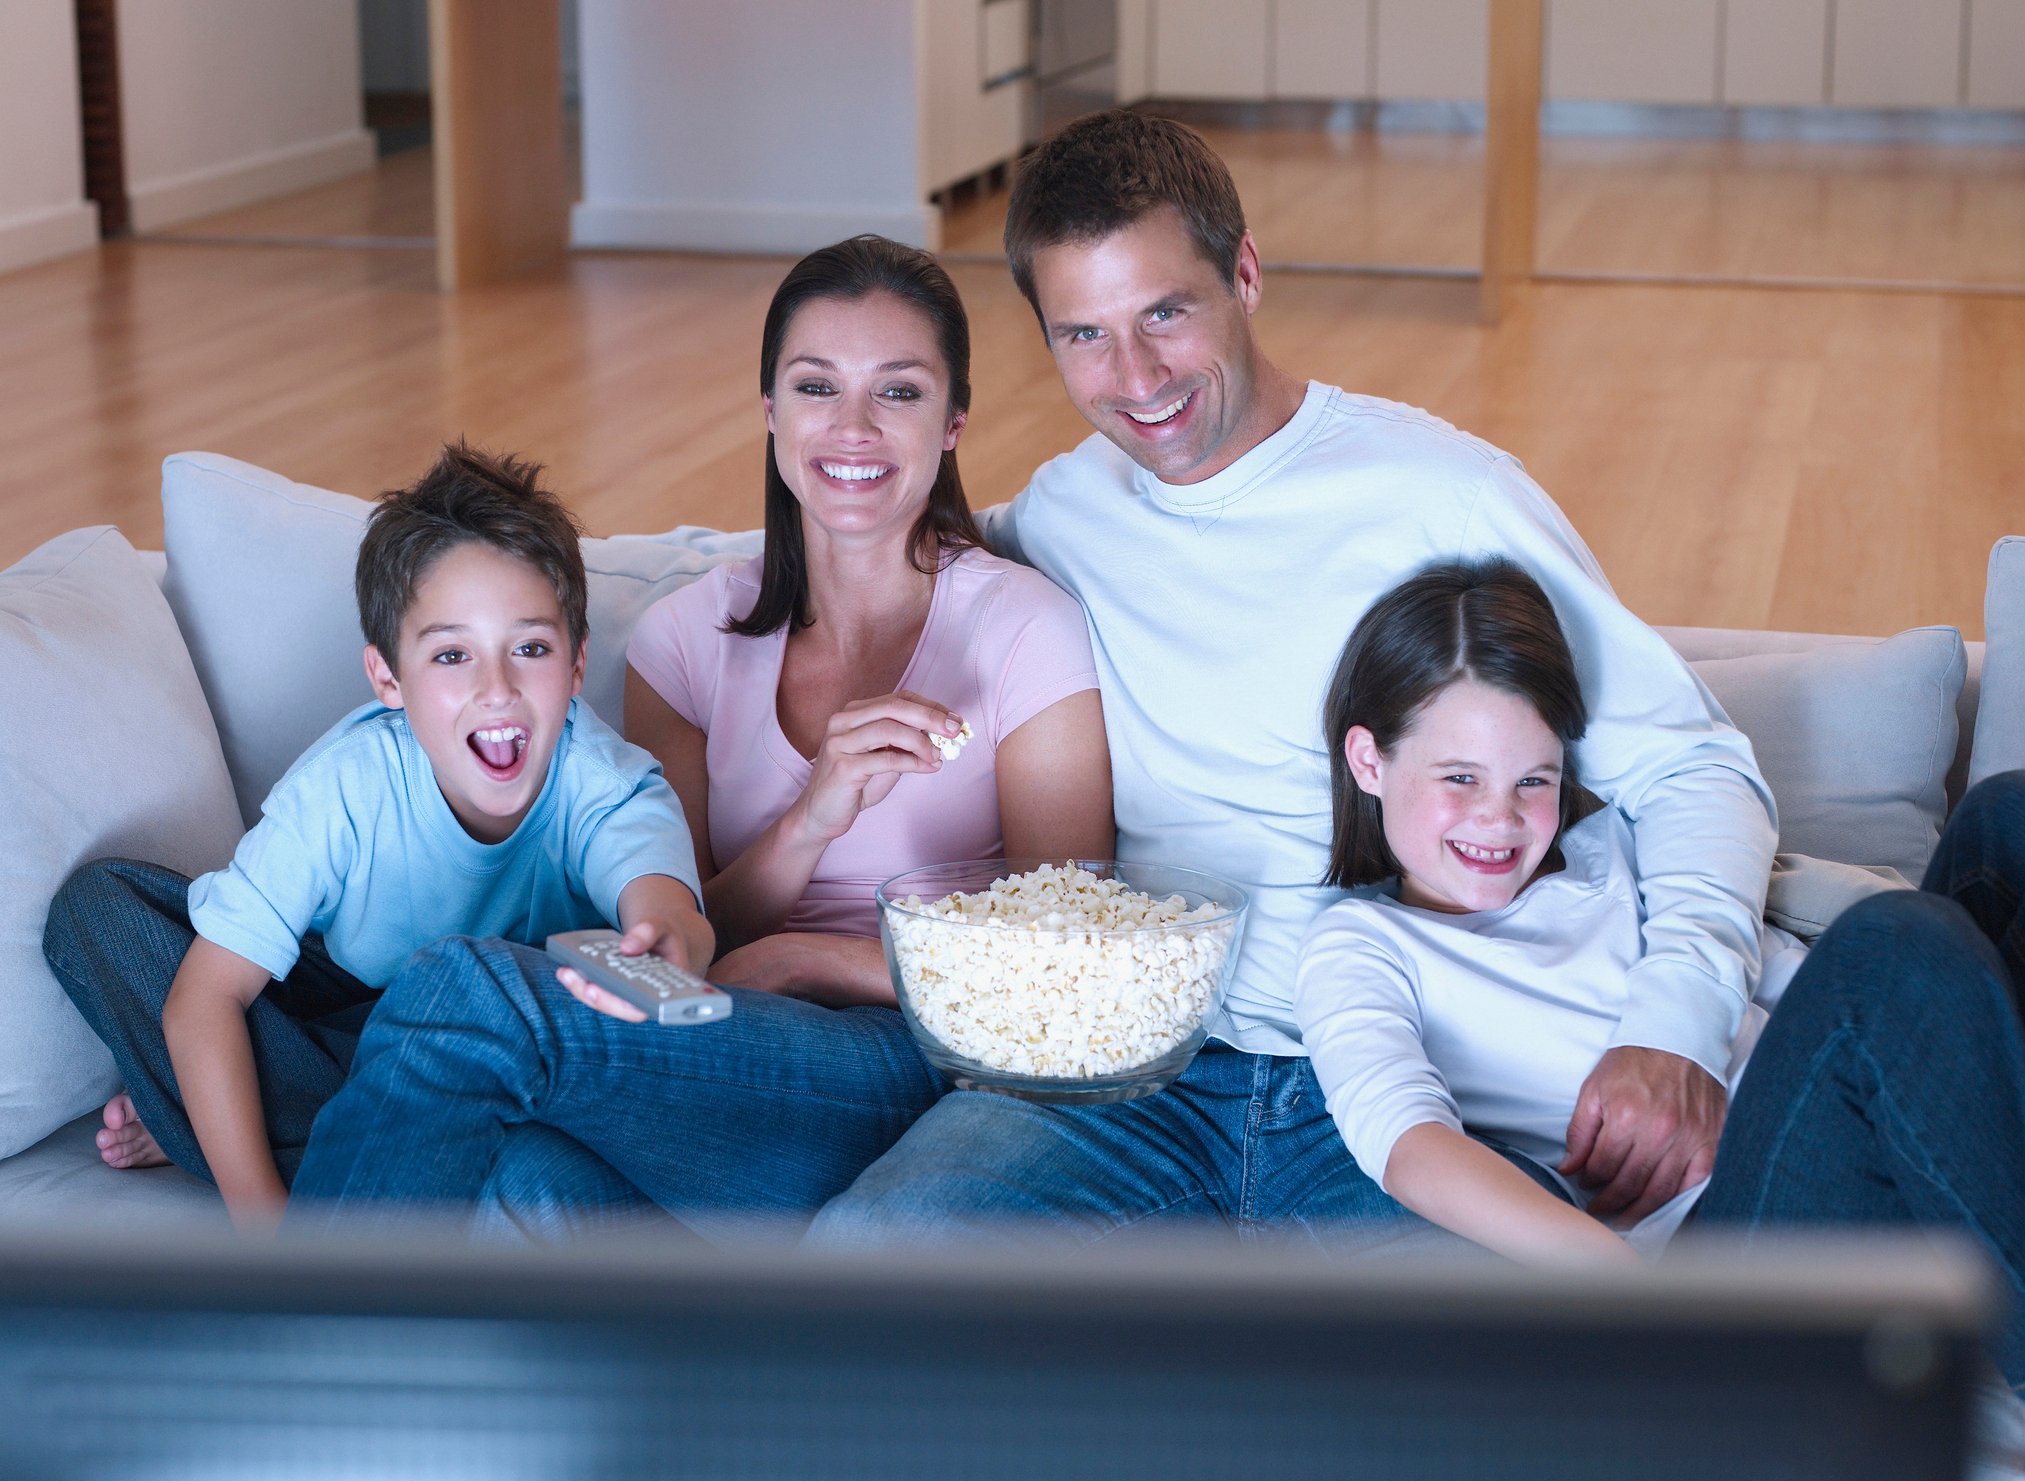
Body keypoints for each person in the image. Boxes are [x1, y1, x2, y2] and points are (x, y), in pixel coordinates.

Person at [808, 110, 1779, 1245]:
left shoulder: (1446, 500)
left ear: (1248, 273)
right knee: (872, 1256)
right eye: (1084, 335)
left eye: (1166, 312)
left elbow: (1695, 767)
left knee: (1520, 1381)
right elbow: (881, 554)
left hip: (1395, 1072)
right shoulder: (1066, 514)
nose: (1136, 377)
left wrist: (1675, 1027)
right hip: (1135, 1064)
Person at [285, 236, 1113, 1236]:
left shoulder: (1023, 625)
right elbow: (692, 920)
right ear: (770, 412)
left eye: (897, 392)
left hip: (927, 1065)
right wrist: (812, 816)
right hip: (729, 1059)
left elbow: (1076, 957)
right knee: (529, 1174)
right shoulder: (687, 640)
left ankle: (278, 1346)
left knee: (471, 989)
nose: (852, 425)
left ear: (952, 423)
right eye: (816, 387)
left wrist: (812, 958)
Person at [1295, 558, 2025, 1386]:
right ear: (1368, 760)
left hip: (1872, 1090)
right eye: (1459, 777)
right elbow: (1408, 1144)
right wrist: (1628, 1290)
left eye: (1532, 779)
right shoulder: (1363, 945)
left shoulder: (1615, 844)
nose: (1499, 818)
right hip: (1734, 1244)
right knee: (1892, 944)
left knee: (2004, 816)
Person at [42, 443, 712, 1231]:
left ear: (575, 665)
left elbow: (668, 904)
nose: (496, 689)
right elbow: (207, 996)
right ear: (387, 678)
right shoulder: (345, 783)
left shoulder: (604, 780)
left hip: (499, 1060)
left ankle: (210, 1119)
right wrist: (267, 1229)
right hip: (342, 1018)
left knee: (539, 1131)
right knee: (101, 907)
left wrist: (666, 942)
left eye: (529, 648)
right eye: (452, 654)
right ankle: (258, 1127)